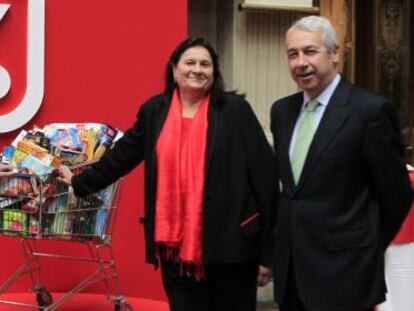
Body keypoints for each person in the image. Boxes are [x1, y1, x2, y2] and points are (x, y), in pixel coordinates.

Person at [58, 36, 277, 311]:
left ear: (214, 72)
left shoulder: (234, 111)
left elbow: (265, 178)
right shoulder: (155, 111)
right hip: (175, 250)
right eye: (190, 62)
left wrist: (268, 253)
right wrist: (80, 182)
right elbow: (122, 156)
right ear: (174, 70)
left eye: (205, 64)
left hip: (232, 248)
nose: (197, 69)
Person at [270, 15, 413, 311]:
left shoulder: (369, 111)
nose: (300, 62)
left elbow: (396, 196)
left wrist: (363, 248)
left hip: (346, 272)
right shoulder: (282, 111)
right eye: (292, 54)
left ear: (335, 54)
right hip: (293, 270)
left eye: (310, 51)